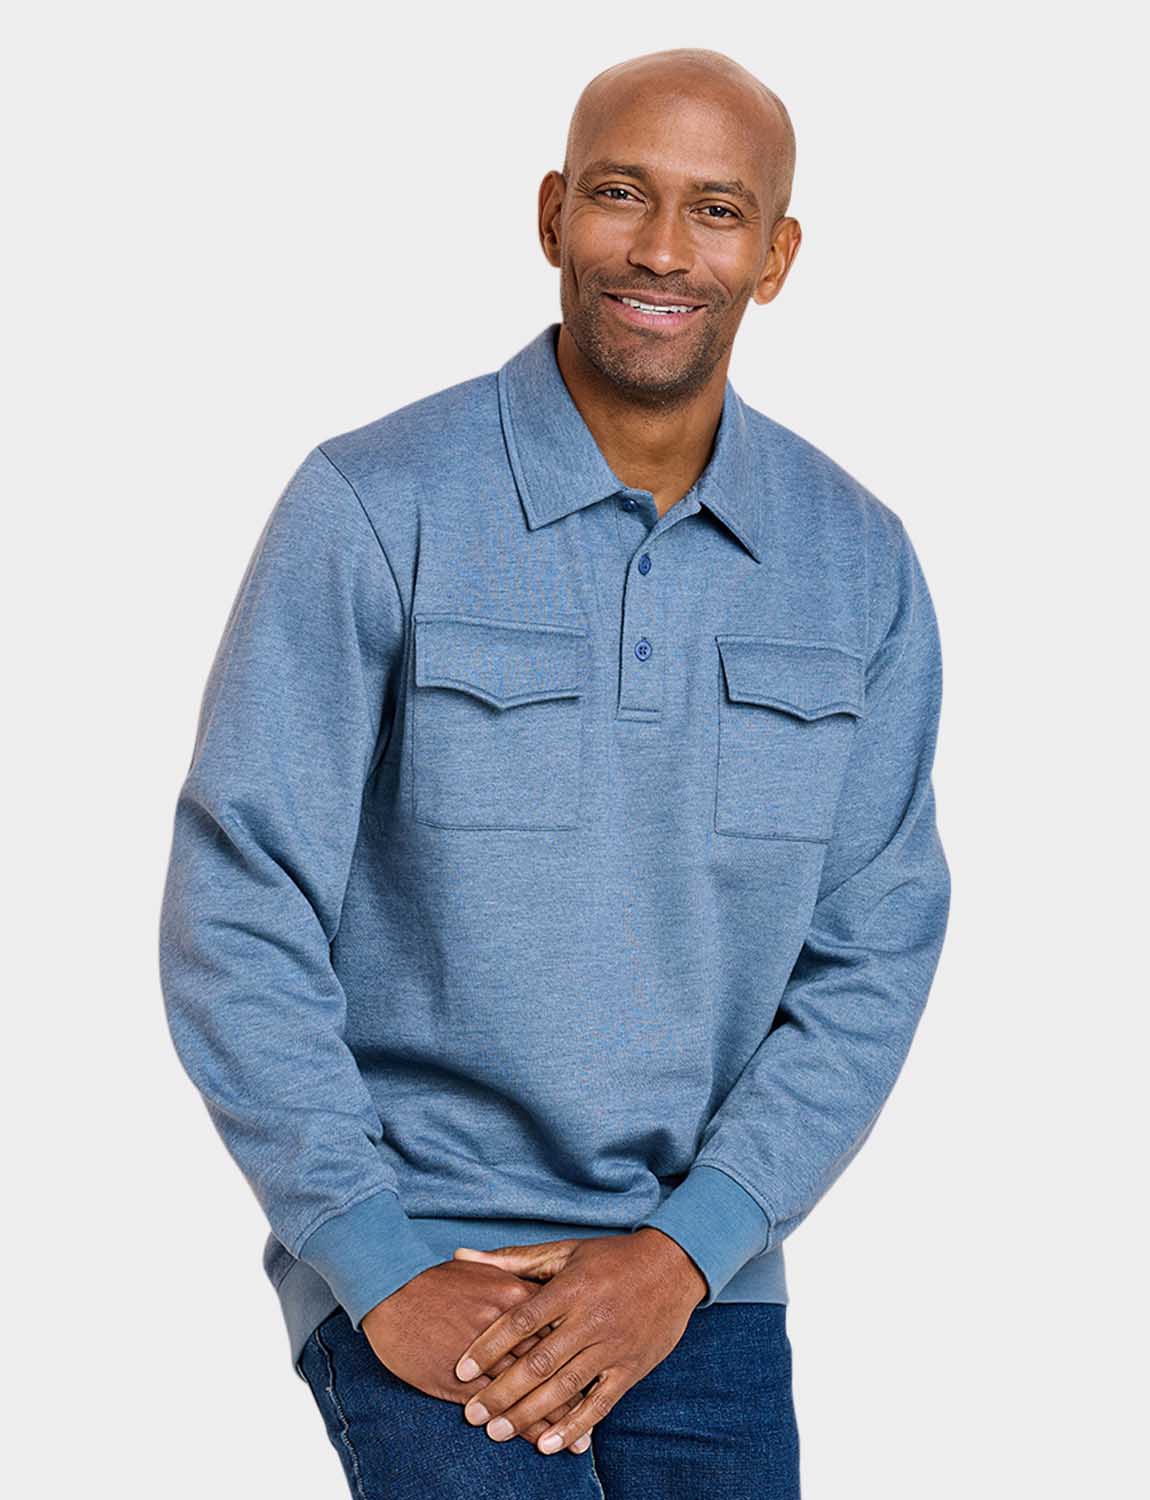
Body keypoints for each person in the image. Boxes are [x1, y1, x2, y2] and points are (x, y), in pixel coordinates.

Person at [159, 46, 951, 1500]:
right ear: (550, 215)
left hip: (699, 1282)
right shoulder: (373, 504)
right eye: (620, 194)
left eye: (718, 210)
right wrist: (374, 1259)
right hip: (429, 1257)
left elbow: (872, 954)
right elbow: (239, 907)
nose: (662, 249)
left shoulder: (858, 562)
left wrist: (686, 1251)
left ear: (777, 257)